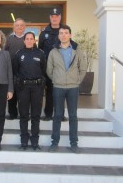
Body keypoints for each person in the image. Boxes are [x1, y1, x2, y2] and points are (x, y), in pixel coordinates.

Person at [46, 25, 87, 153]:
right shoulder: (53, 52)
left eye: (66, 33)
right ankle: (54, 142)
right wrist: (56, 79)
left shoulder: (77, 50)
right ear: (58, 36)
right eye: (61, 33)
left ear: (70, 35)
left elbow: (83, 68)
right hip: (58, 87)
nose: (63, 35)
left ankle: (74, 143)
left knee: (73, 115)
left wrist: (76, 81)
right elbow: (49, 70)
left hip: (73, 88)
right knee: (57, 115)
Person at [13, 32, 46, 151]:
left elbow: (43, 70)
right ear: (24, 41)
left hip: (37, 88)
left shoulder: (41, 54)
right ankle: (24, 142)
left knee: (36, 115)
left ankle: (35, 142)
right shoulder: (19, 54)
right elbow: (15, 71)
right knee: (23, 115)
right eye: (27, 39)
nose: (29, 40)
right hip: (23, 88)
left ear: (34, 41)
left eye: (31, 39)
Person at [38, 8, 67, 121]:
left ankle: (60, 114)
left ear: (60, 17)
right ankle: (48, 114)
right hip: (48, 67)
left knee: (61, 91)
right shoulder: (44, 33)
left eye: (57, 16)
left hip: (61, 67)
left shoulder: (64, 31)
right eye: (52, 16)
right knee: (49, 91)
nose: (54, 18)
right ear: (50, 18)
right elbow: (40, 50)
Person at [5, 18, 26, 120]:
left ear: (24, 27)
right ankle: (12, 113)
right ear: (14, 27)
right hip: (11, 70)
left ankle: (23, 113)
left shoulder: (28, 38)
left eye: (21, 25)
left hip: (24, 72)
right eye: (17, 25)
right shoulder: (9, 39)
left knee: (23, 94)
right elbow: (4, 53)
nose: (19, 27)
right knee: (11, 92)